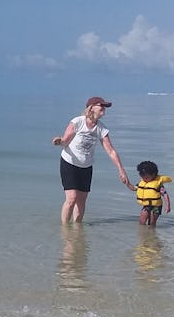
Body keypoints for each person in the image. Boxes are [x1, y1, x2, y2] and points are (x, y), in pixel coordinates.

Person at [51, 96, 130, 224]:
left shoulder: (101, 128)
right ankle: (65, 229)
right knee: (72, 198)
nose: (104, 108)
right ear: (91, 107)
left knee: (82, 200)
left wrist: (121, 170)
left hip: (86, 166)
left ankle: (77, 229)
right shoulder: (77, 122)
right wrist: (59, 141)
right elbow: (65, 140)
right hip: (69, 163)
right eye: (101, 105)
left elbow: (111, 151)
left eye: (105, 106)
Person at [126, 160, 172, 226]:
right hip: (147, 205)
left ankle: (151, 234)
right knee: (142, 221)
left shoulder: (158, 184)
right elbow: (133, 188)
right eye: (143, 177)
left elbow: (165, 195)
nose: (144, 179)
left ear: (153, 175)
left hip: (156, 206)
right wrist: (127, 183)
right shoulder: (142, 183)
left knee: (152, 223)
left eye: (147, 177)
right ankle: (143, 234)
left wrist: (168, 206)